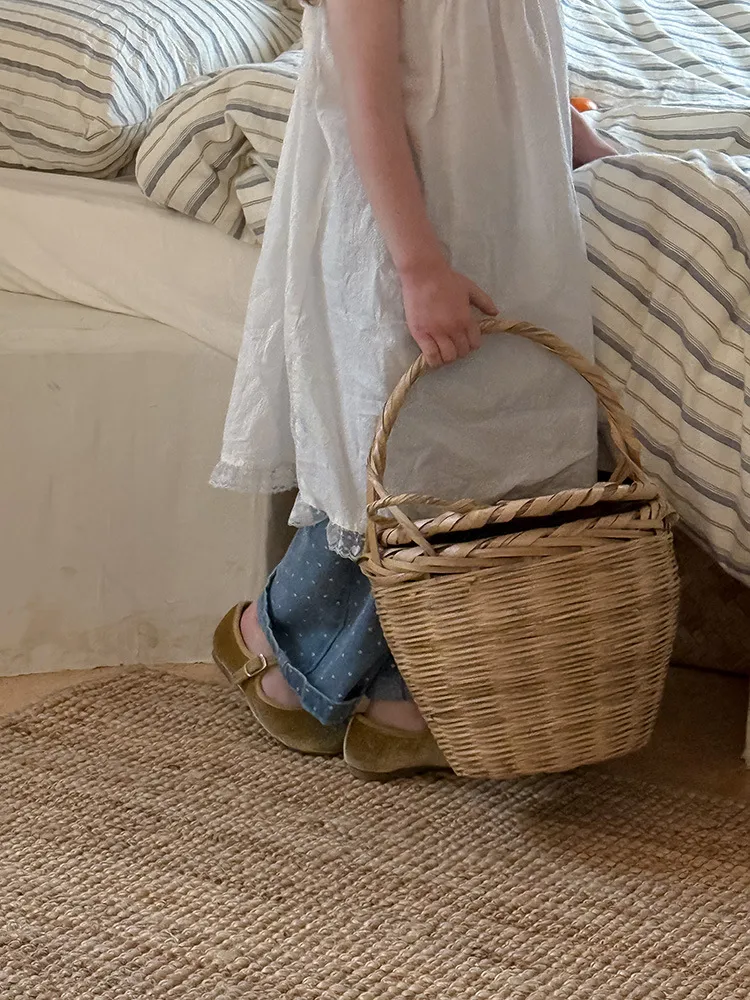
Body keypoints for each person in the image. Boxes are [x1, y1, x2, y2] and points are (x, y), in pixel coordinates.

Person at [211, 0, 616, 780]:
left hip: (503, 213)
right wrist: (419, 266)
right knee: (407, 453)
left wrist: (581, 141)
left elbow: (522, 49)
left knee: (486, 450)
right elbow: (363, 99)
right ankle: (278, 638)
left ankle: (401, 693)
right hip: (405, 226)